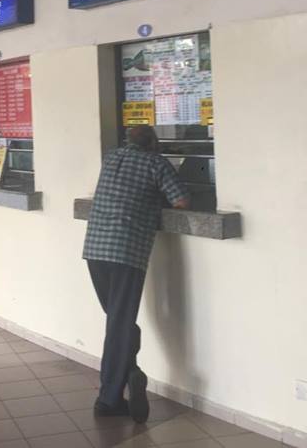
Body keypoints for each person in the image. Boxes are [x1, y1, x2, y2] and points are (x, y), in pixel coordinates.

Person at [82, 125, 188, 423]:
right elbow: (181, 201)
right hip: (126, 253)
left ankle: (130, 371)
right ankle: (109, 399)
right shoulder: (156, 162)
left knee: (119, 322)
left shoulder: (110, 159)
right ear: (153, 143)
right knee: (120, 324)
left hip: (95, 250)